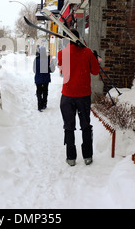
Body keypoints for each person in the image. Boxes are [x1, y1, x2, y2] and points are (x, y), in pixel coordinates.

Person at [58, 29, 100, 166]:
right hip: (83, 96)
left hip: (68, 96)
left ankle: (71, 158)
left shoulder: (62, 54)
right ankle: (87, 156)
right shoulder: (87, 53)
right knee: (85, 125)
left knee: (69, 127)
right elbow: (95, 71)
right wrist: (93, 57)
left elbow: (63, 71)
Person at [33, 46, 55, 111]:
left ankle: (39, 105)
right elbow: (52, 69)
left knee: (39, 92)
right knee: (45, 91)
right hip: (46, 78)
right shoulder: (48, 59)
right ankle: (44, 104)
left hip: (38, 79)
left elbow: (34, 70)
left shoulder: (36, 59)